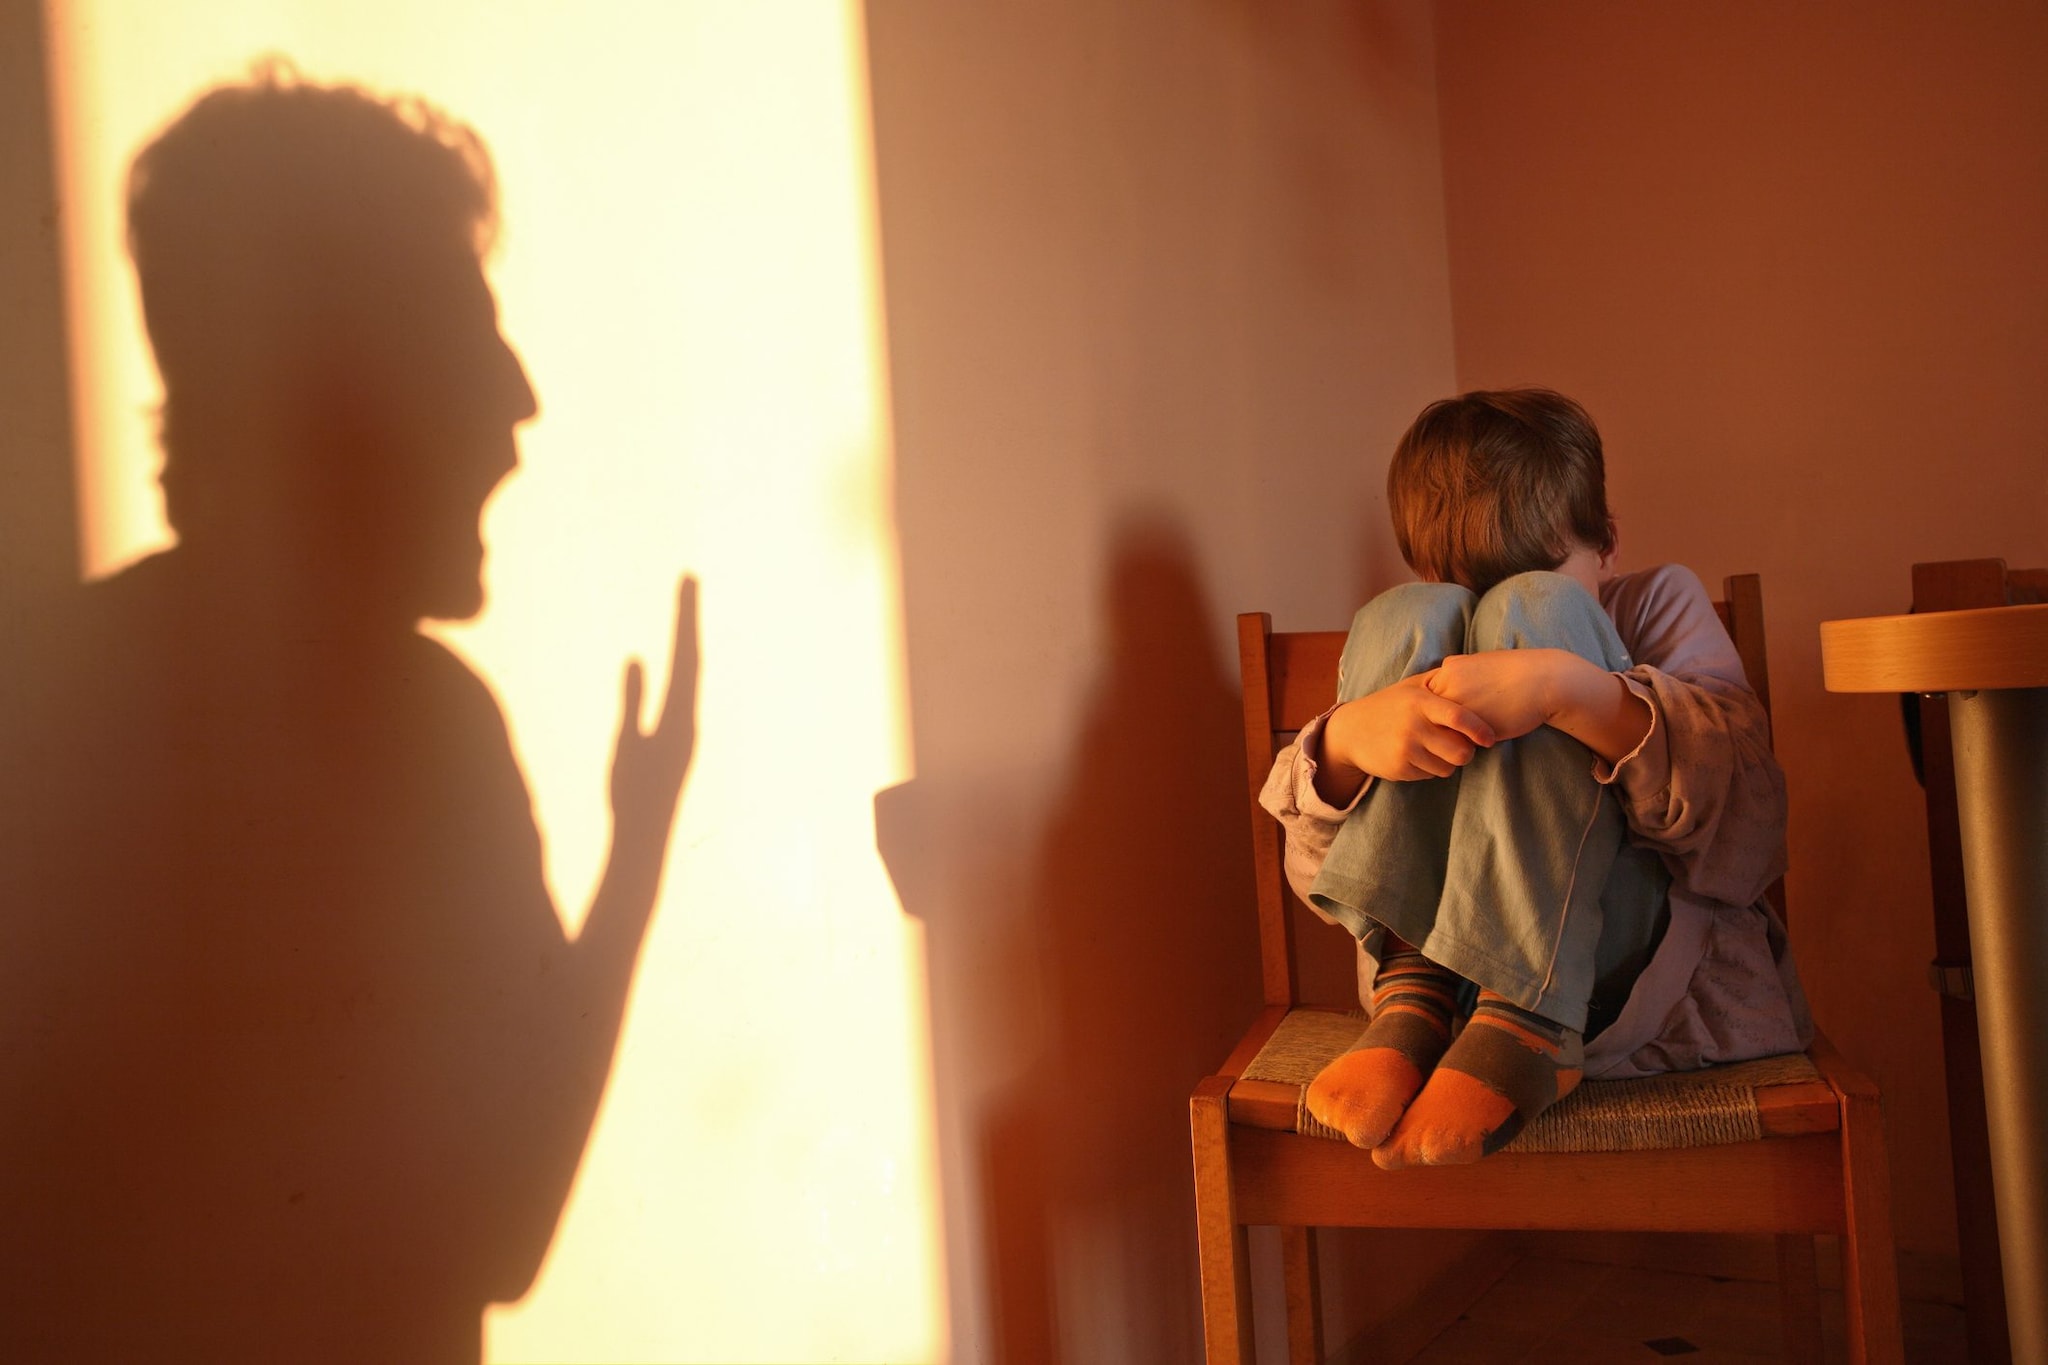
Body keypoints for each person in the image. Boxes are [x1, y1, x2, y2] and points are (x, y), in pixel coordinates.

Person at [0, 68, 695, 1362]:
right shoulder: (429, 735)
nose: (519, 400)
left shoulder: (42, 689)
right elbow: (506, 1230)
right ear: (350, 388)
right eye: (468, 338)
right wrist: (635, 861)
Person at [1259, 389, 1808, 1169]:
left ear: (1608, 543)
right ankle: (1415, 990)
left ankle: (1528, 1020)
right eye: (1478, 596)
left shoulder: (1657, 603)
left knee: (1541, 614)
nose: (1493, 621)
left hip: (1628, 980)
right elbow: (1322, 873)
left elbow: (1752, 829)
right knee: (1400, 618)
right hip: (1437, 1012)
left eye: (1526, 583)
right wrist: (1350, 740)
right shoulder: (1422, 625)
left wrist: (1568, 688)